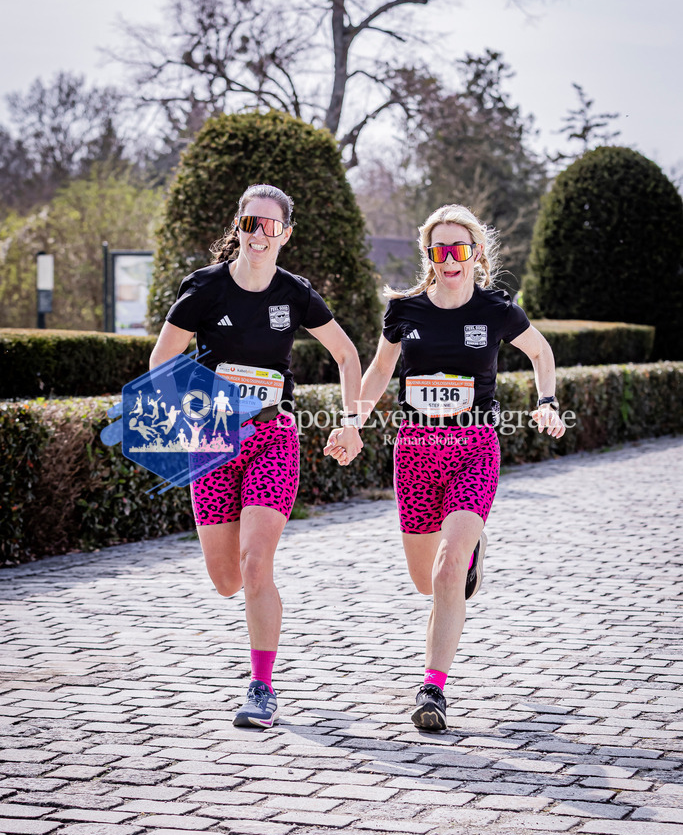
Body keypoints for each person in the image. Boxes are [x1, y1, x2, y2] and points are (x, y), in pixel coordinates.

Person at [325, 204, 565, 731]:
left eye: (460, 249)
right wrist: (352, 423)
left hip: (475, 446)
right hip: (414, 449)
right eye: (440, 250)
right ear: (429, 255)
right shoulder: (405, 309)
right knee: (425, 581)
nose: (450, 259)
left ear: (476, 254)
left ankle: (432, 689)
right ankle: (467, 551)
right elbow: (381, 369)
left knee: (448, 564)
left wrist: (546, 401)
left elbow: (541, 353)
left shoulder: (496, 309)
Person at [150, 184, 362, 729]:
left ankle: (262, 687)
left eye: (270, 226)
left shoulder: (295, 294)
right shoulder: (204, 289)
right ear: (238, 227)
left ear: (285, 234)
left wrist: (349, 419)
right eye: (250, 224)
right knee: (226, 579)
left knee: (255, 561)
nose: (259, 235)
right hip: (215, 439)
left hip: (274, 436)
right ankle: (256, 605)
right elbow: (162, 360)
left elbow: (346, 353)